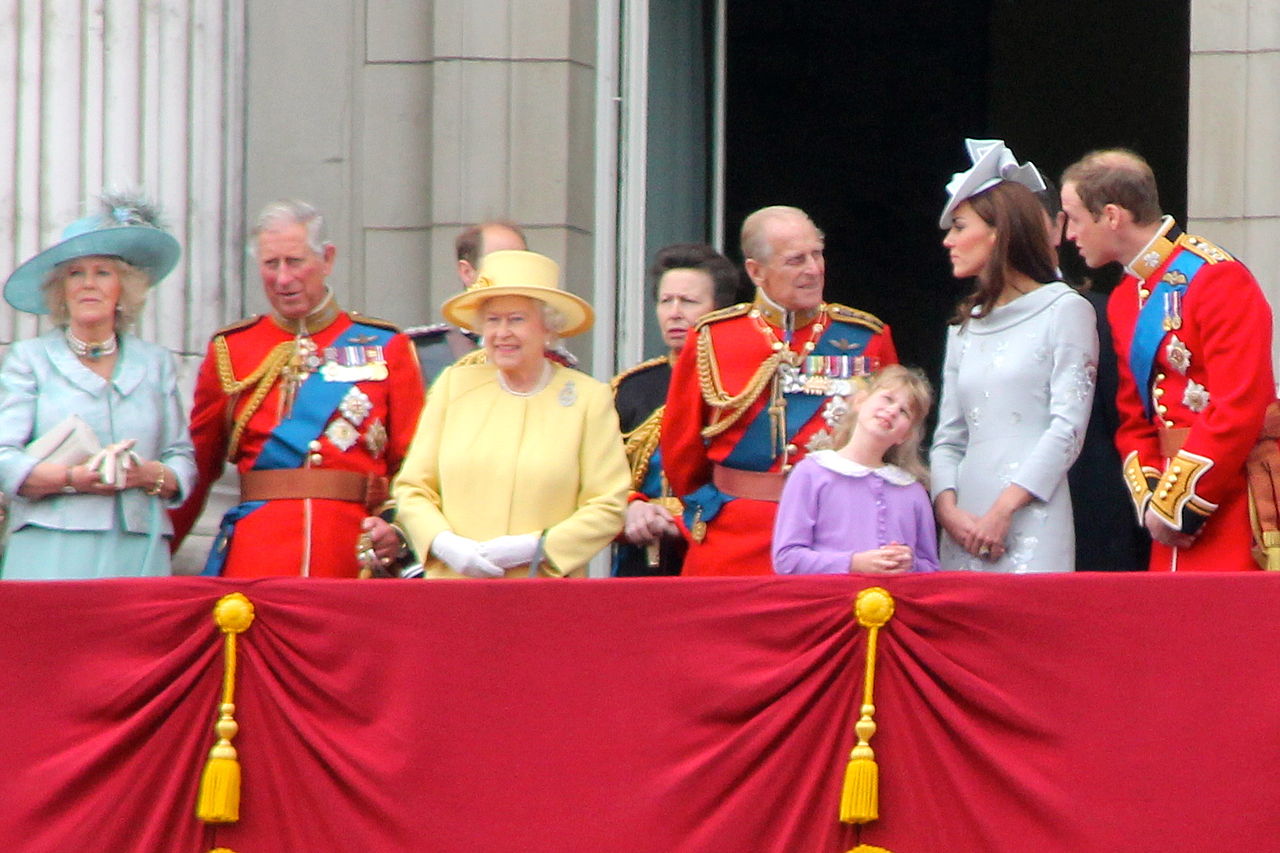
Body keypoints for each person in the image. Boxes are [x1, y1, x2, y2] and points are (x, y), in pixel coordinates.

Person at [170, 199, 425, 578]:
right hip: (258, 556)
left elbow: (415, 465)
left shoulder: (387, 346)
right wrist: (158, 549)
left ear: (327, 259)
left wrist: (398, 532)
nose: (282, 278)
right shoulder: (232, 349)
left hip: (350, 553)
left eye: (294, 262)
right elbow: (198, 468)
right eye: (271, 264)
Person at [1061, 149, 1276, 572]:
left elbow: (1239, 406)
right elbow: (1133, 418)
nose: (1069, 234)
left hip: (1229, 503)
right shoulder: (1126, 298)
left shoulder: (1217, 278)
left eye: (1074, 218)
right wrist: (1154, 504)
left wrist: (1181, 506)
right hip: (1169, 515)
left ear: (1111, 216)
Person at [662, 205, 898, 576]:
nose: (814, 269)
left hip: (838, 534)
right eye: (796, 260)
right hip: (736, 540)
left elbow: (894, 443)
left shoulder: (867, 338)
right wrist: (713, 508)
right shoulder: (712, 338)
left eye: (817, 254)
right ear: (756, 271)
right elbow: (681, 455)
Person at [394, 249, 630, 578]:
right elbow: (412, 488)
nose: (502, 332)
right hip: (455, 586)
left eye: (517, 319)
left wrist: (538, 547)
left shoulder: (588, 398)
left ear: (548, 328)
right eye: (493, 320)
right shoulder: (454, 386)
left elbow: (608, 504)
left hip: (543, 590)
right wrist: (444, 543)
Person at [0, 194, 196, 578]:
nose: (89, 284)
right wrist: (72, 479)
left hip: (137, 546)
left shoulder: (155, 363)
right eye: (76, 273)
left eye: (103, 272)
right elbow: (3, 457)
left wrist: (148, 474)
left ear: (124, 287)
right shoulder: (30, 360)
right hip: (50, 544)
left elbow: (181, 459)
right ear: (61, 289)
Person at [931, 139, 1098, 572]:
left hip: (1031, 514)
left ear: (999, 232)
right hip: (964, 522)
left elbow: (1068, 428)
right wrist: (947, 509)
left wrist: (1004, 509)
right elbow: (949, 435)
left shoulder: (1065, 309)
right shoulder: (964, 326)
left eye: (959, 227)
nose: (948, 241)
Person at [1033, 171, 1150, 572]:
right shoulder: (967, 324)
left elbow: (1129, 427)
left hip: (1093, 537)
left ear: (1056, 227)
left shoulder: (1105, 312)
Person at [611, 242, 742, 576]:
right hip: (641, 563)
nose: (675, 313)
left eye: (689, 302)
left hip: (720, 557)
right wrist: (631, 507)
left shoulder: (743, 385)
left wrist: (683, 519)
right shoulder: (631, 388)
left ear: (720, 309)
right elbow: (599, 481)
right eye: (666, 301)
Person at [773, 365, 939, 575]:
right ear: (860, 401)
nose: (892, 411)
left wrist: (910, 563)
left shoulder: (912, 491)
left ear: (905, 436)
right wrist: (853, 563)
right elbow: (787, 559)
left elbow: (932, 570)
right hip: (829, 595)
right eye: (887, 398)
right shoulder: (811, 473)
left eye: (904, 411)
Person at [405, 221, 528, 384]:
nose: (516, 271)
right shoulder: (421, 353)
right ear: (467, 272)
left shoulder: (549, 357)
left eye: (523, 262)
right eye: (500, 261)